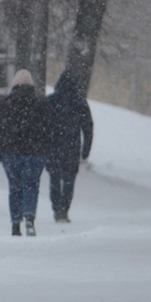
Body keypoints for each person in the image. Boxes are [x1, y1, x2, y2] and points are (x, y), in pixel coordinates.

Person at [0, 69, 51, 236]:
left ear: (14, 85)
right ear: (31, 85)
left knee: (15, 187)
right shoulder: (41, 103)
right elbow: (49, 128)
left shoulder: (5, 104)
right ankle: (29, 217)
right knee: (31, 185)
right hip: (35, 153)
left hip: (11, 153)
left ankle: (15, 225)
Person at [46, 69, 93, 223]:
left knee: (54, 178)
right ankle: (64, 209)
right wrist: (86, 149)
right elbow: (88, 128)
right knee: (69, 180)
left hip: (53, 146)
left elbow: (41, 125)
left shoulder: (51, 101)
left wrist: (41, 144)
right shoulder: (80, 103)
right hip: (72, 147)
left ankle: (56, 207)